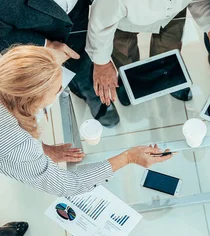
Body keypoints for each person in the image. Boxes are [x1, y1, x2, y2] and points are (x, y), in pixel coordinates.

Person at [0, 45, 173, 198]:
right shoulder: (18, 146)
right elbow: (67, 185)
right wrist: (128, 157)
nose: (62, 90)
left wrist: (42, 149)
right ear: (32, 101)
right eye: (58, 89)